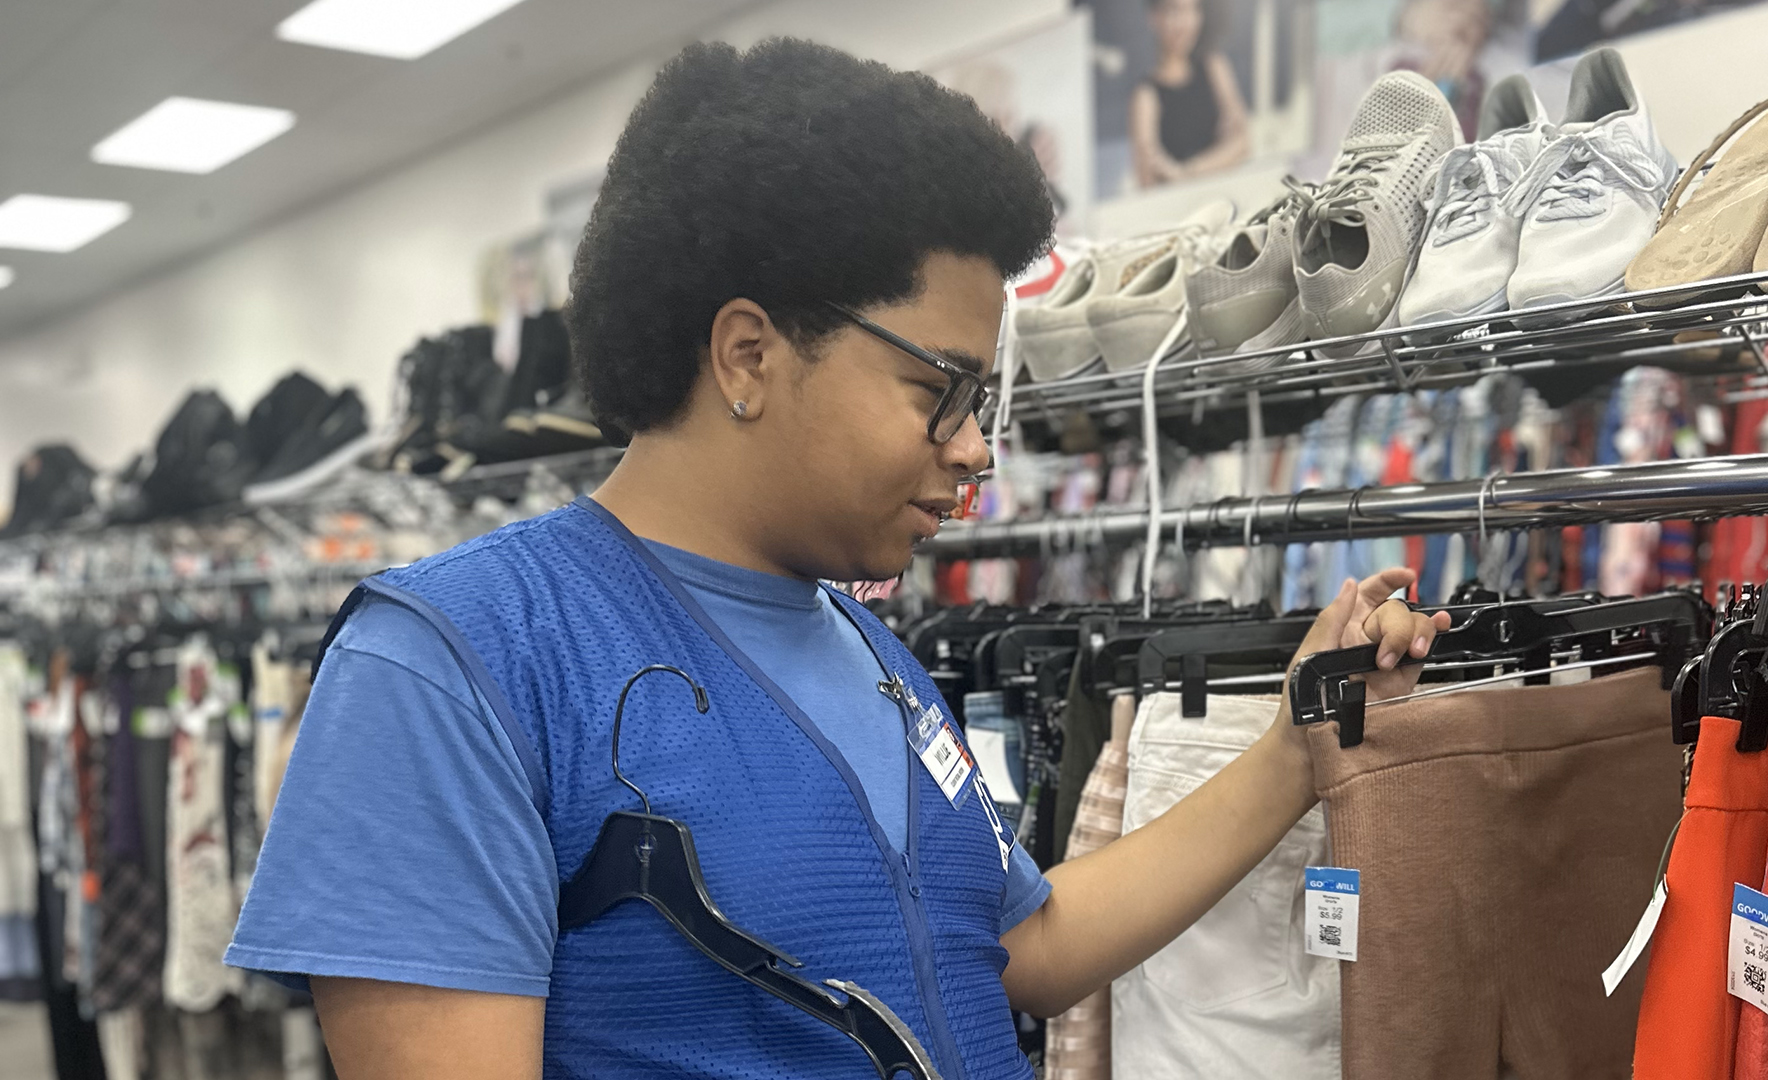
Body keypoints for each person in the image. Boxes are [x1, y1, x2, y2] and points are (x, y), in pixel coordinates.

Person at [225, 38, 1446, 1078]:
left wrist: (1297, 746)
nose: (975, 448)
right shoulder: (456, 663)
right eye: (939, 388)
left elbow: (1022, 940)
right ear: (749, 354)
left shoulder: (863, 644)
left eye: (987, 397)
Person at [1129, 0, 1251, 188]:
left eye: (1192, 10)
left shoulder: (1214, 66)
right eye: (1174, 12)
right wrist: (1220, 157)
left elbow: (1242, 143)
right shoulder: (1145, 95)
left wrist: (1184, 173)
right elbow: (1147, 178)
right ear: (1154, 18)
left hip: (1223, 191)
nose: (1185, 23)